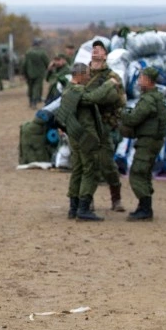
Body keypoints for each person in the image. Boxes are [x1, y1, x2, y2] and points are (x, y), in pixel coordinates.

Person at [58, 63, 118, 221]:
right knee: (90, 170)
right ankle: (83, 209)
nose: (89, 77)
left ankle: (73, 208)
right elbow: (95, 97)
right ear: (79, 75)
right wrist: (109, 84)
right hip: (85, 137)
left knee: (77, 170)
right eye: (87, 74)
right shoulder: (77, 91)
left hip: (75, 136)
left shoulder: (67, 90)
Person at [120, 67, 166, 221]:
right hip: (152, 141)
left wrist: (121, 112)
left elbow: (133, 119)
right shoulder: (156, 97)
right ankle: (144, 206)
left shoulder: (149, 100)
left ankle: (145, 209)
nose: (139, 81)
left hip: (148, 141)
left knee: (137, 173)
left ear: (148, 80)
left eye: (141, 78)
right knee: (144, 173)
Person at [86, 40, 127, 212]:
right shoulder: (83, 75)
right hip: (87, 126)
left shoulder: (113, 77)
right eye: (94, 49)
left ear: (105, 55)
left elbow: (121, 101)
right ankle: (87, 199)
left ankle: (116, 199)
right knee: (88, 165)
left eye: (100, 49)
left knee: (108, 165)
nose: (96, 51)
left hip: (104, 126)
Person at [23, 38, 49, 109]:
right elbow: (47, 62)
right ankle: (34, 102)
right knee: (36, 87)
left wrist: (24, 72)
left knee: (30, 87)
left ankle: (30, 101)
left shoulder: (28, 52)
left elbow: (24, 63)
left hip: (29, 73)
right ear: (39, 44)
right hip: (39, 73)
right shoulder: (42, 52)